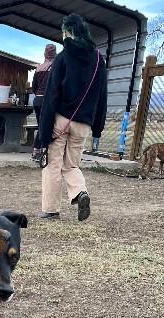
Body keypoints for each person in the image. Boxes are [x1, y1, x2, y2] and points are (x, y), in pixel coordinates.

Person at [38, 14, 107, 221]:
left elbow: (51, 95)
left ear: (67, 32)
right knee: (72, 165)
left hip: (60, 120)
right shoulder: (98, 60)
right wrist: (98, 127)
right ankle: (80, 192)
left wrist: (44, 132)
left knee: (53, 165)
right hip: (83, 123)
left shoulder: (62, 57)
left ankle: (51, 210)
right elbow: (102, 95)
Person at [31, 43, 57, 162]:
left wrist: (39, 94)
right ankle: (39, 151)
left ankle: (38, 151)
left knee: (41, 125)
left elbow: (34, 86)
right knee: (46, 126)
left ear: (44, 54)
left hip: (38, 100)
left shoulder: (38, 67)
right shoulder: (55, 66)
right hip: (48, 100)